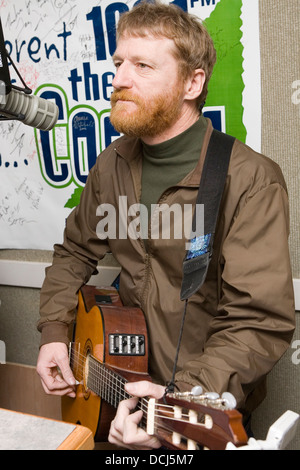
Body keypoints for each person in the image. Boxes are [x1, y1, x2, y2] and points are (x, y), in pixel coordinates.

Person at [36, 1, 295, 450]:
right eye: (118, 63)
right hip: (118, 387)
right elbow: (74, 253)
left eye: (142, 65)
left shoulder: (250, 178)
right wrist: (55, 334)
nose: (118, 79)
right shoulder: (110, 164)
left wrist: (182, 396)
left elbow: (258, 320)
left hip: (195, 408)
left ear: (192, 83)